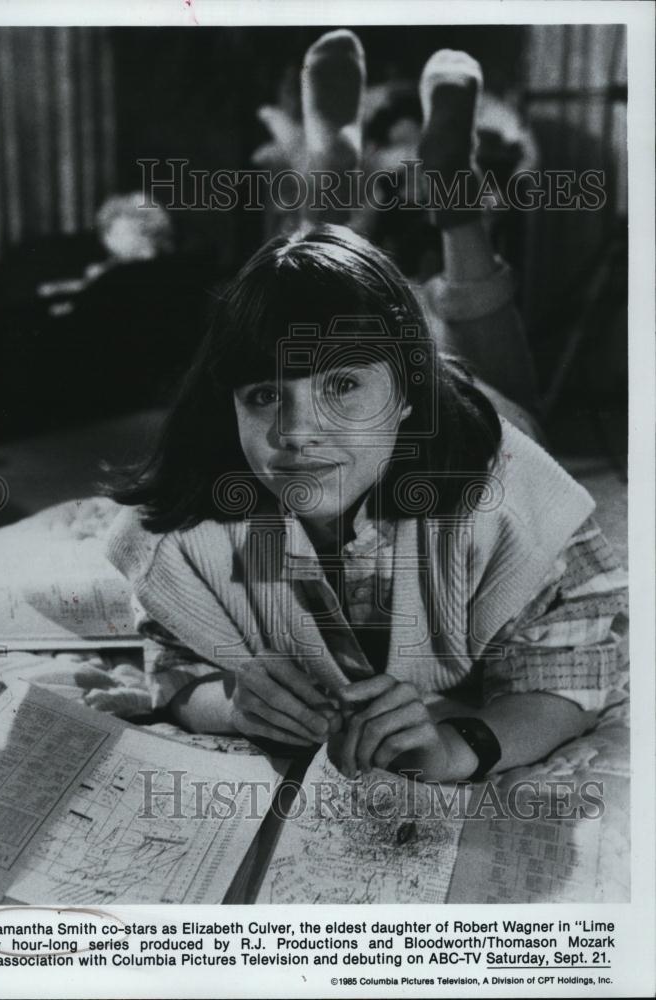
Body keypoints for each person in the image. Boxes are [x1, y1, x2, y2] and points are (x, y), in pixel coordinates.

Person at [104, 44, 628, 784]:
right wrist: (229, 703)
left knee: (511, 393)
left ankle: (427, 191)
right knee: (297, 299)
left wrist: (460, 745)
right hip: (390, 379)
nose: (293, 432)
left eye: (337, 390)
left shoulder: (504, 489)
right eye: (260, 396)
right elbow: (175, 656)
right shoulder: (214, 504)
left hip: (468, 415)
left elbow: (573, 660)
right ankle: (359, 172)